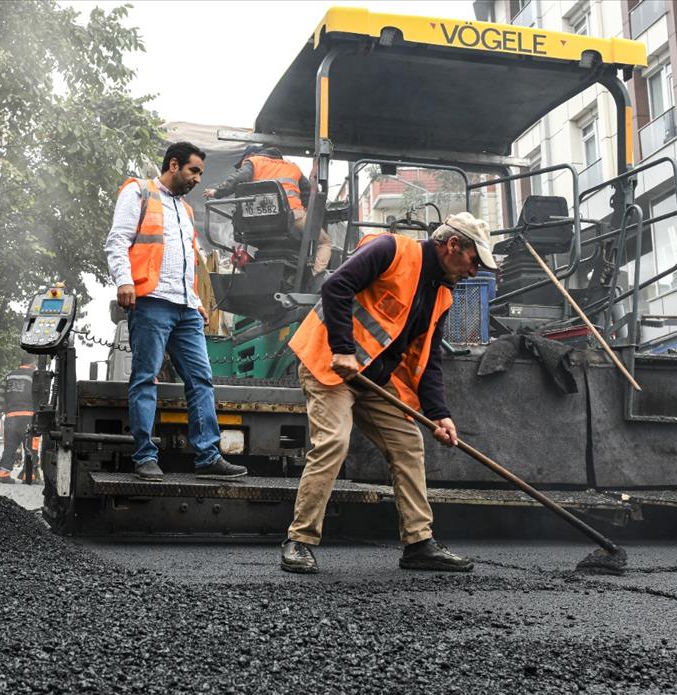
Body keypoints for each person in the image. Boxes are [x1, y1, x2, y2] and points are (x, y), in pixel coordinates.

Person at [280, 213, 498, 574]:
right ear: (453, 245)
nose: (474, 272)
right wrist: (342, 349)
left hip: (375, 381)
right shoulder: (392, 250)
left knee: (408, 444)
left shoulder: (442, 295)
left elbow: (428, 360)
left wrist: (438, 413)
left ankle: (418, 544)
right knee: (333, 441)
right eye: (474, 261)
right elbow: (336, 286)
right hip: (331, 365)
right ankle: (299, 541)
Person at [104, 140, 247, 482]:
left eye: (200, 172)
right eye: (193, 170)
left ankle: (208, 457)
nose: (197, 178)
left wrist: (196, 302)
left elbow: (187, 262)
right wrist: (124, 280)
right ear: (173, 165)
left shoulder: (185, 211)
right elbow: (117, 241)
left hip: (184, 309)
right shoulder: (138, 193)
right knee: (145, 378)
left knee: (201, 380)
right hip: (151, 302)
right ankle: (145, 456)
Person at [203, 145, 332, 276]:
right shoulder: (293, 168)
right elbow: (309, 195)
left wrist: (217, 192)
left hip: (252, 224)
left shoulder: (253, 162)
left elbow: (238, 178)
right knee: (324, 242)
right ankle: (313, 276)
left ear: (251, 155)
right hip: (293, 217)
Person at [0, 363, 35, 484]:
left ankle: (3, 474)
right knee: (30, 447)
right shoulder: (34, 375)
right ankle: (28, 477)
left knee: (9, 446)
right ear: (32, 363)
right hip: (28, 417)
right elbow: (40, 396)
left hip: (11, 416)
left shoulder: (9, 375)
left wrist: (0, 409)